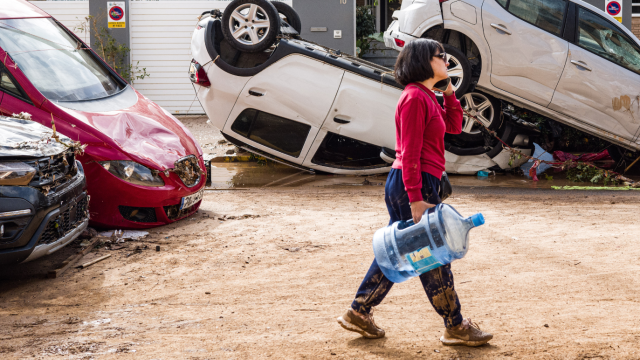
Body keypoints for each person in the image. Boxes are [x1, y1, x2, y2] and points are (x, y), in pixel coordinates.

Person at [336, 39, 493, 347]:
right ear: (423, 60)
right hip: (413, 182)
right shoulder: (414, 98)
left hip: (423, 182)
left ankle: (360, 310)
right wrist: (415, 197)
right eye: (441, 56)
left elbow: (454, 126)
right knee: (431, 255)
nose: (447, 61)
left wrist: (449, 94)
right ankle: (455, 325)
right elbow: (408, 152)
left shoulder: (427, 96)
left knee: (410, 250)